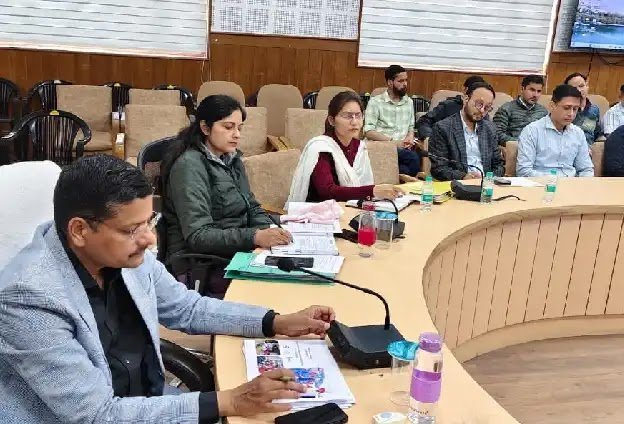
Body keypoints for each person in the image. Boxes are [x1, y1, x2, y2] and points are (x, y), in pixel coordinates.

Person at [0, 154, 336, 424]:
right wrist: (230, 401)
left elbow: (187, 308)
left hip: (148, 402)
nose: (149, 239)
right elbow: (97, 415)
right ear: (79, 231)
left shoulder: (122, 252)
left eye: (150, 221)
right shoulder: (28, 298)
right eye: (132, 229)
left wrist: (276, 321)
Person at [160, 95, 291, 298]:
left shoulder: (231, 158)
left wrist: (271, 232)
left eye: (240, 128)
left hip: (236, 251)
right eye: (228, 127)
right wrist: (255, 237)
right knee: (283, 291)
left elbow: (251, 206)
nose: (236, 135)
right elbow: (198, 236)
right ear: (205, 128)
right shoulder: (189, 166)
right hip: (203, 263)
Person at [287, 91, 403, 203]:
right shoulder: (320, 147)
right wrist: (372, 191)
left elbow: (363, 185)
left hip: (351, 208)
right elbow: (327, 192)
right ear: (332, 120)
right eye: (348, 116)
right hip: (319, 211)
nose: (354, 122)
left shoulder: (359, 147)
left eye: (358, 115)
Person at [429, 82, 505, 181]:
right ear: (465, 99)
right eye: (479, 104)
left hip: (487, 184)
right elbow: (439, 168)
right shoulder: (443, 128)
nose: (482, 111)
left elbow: (499, 165)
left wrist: (488, 179)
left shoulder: (490, 129)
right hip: (458, 185)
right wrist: (463, 177)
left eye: (487, 107)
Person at [516, 84, 594, 177]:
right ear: (552, 106)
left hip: (571, 183)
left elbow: (586, 169)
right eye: (566, 108)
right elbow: (523, 171)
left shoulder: (578, 133)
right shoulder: (532, 131)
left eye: (575, 109)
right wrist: (555, 180)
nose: (571, 114)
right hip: (540, 183)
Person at [363, 64, 421, 176]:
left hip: (402, 150)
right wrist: (393, 143)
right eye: (401, 81)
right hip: (381, 147)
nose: (405, 84)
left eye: (406, 80)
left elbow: (410, 127)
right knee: (413, 159)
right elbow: (368, 131)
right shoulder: (375, 102)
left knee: (407, 167)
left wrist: (409, 138)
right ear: (390, 82)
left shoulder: (409, 102)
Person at [415, 75, 486, 139]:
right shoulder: (448, 106)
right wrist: (429, 137)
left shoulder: (483, 111)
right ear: (465, 90)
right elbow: (424, 121)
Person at [493, 74, 548, 145]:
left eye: (539, 91)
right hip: (515, 147)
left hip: (538, 147)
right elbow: (497, 133)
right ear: (522, 89)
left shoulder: (543, 112)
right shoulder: (507, 108)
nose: (535, 95)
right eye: (532, 90)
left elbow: (547, 134)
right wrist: (522, 143)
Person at [565, 72, 603, 145]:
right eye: (574, 88)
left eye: (581, 86)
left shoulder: (594, 109)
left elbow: (597, 133)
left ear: (587, 87)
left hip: (588, 148)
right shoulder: (564, 109)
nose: (579, 90)